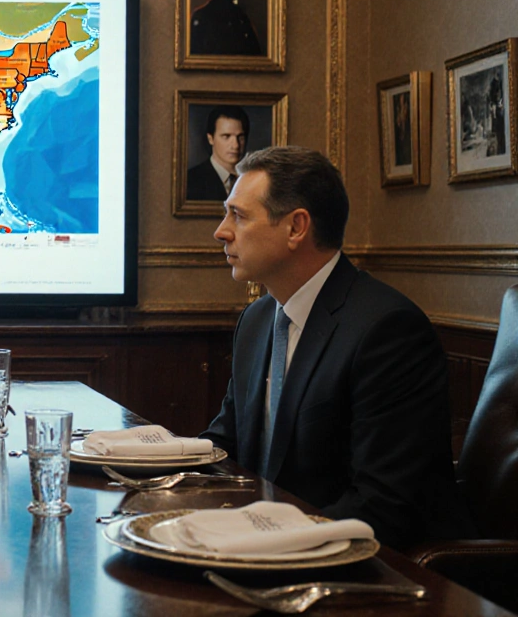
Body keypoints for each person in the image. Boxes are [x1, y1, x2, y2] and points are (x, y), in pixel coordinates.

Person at [200, 146, 471, 547]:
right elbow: (225, 444)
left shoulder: (388, 331)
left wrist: (261, 542)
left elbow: (385, 505)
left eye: (238, 215)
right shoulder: (257, 320)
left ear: (296, 228)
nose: (221, 231)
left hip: (371, 570)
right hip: (266, 548)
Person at [186, 106, 248, 201]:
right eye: (226, 136)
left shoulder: (254, 179)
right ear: (211, 139)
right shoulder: (190, 181)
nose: (235, 145)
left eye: (240, 137)